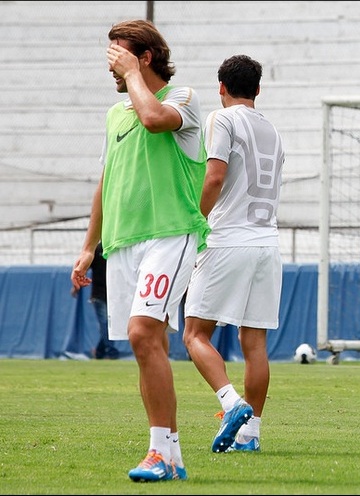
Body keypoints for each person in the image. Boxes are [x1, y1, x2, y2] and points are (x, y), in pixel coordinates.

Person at [70, 19, 212, 482]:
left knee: (141, 332)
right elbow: (106, 182)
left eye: (119, 56)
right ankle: (171, 456)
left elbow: (154, 120)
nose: (111, 67)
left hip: (171, 234)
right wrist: (88, 247)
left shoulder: (182, 98)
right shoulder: (115, 115)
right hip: (123, 243)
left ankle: (158, 452)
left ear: (144, 57)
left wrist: (132, 74)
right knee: (147, 343)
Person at [183, 54, 285, 454]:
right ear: (258, 89)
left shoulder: (221, 118)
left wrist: (195, 220)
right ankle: (250, 434)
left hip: (228, 238)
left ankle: (231, 402)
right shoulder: (273, 130)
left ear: (221, 87)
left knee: (195, 334)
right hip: (267, 243)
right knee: (254, 341)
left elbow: (215, 176)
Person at [89, 242, 118, 360]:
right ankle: (111, 351)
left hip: (106, 294)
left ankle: (99, 352)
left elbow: (85, 266)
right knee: (106, 323)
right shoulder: (113, 248)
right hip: (105, 294)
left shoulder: (97, 249)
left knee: (107, 324)